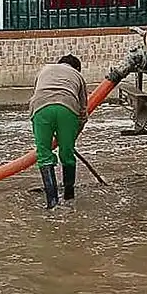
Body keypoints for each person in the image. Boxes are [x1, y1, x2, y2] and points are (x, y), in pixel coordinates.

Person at [29, 54, 88, 210]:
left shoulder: (45, 70)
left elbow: (36, 93)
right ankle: (69, 197)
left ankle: (52, 202)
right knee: (67, 154)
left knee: (43, 154)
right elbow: (83, 111)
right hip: (67, 108)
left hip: (40, 109)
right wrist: (72, 135)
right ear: (77, 68)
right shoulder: (78, 76)